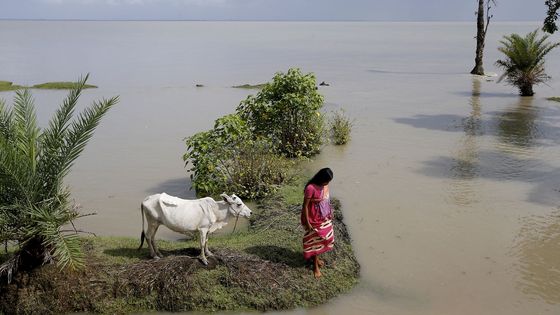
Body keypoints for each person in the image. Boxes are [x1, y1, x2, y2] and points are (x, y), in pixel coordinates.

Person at [301, 167, 334, 278]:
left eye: (329, 181)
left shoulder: (325, 186)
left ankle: (317, 259)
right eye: (326, 181)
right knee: (315, 242)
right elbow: (305, 206)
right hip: (313, 218)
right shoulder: (310, 188)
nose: (327, 183)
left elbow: (327, 199)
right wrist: (308, 223)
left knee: (326, 238)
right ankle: (315, 267)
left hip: (324, 216)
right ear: (321, 178)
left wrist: (330, 211)